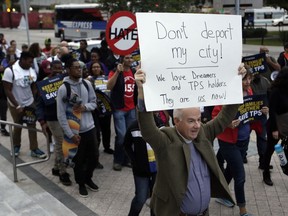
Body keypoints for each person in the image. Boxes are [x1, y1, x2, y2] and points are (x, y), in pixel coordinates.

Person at [134, 64, 246, 216]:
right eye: (191, 121)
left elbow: (224, 117)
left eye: (199, 120)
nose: (197, 126)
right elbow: (147, 130)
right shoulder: (166, 140)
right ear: (176, 121)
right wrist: (142, 92)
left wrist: (236, 83)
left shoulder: (203, 133)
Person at [212, 72, 254, 216]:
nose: (248, 82)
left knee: (231, 168)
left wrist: (261, 111)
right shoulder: (227, 94)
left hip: (244, 140)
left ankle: (221, 195)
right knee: (240, 176)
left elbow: (251, 111)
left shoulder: (249, 91)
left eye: (249, 78)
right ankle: (243, 211)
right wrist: (227, 123)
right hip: (228, 142)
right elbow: (215, 116)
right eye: (245, 79)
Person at [57, 58, 99, 197]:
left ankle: (88, 178)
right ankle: (81, 183)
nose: (79, 69)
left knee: (94, 157)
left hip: (90, 128)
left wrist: (84, 107)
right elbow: (61, 114)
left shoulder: (87, 84)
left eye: (80, 67)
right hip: (75, 132)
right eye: (75, 67)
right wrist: (70, 134)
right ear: (68, 70)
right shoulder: (64, 89)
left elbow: (94, 103)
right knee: (78, 161)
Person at [2, 51, 46, 158]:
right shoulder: (10, 71)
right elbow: (7, 90)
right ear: (23, 60)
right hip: (15, 104)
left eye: (32, 62)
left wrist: (33, 99)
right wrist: (17, 105)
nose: (31, 64)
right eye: (29, 62)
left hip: (29, 102)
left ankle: (34, 149)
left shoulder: (31, 70)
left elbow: (34, 85)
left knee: (32, 125)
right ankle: (16, 146)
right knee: (18, 125)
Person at [36, 60, 71, 185]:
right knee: (61, 143)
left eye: (59, 68)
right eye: (55, 68)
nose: (57, 71)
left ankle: (56, 168)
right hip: (52, 118)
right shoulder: (44, 84)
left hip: (65, 116)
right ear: (50, 69)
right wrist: (42, 121)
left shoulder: (66, 81)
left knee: (60, 144)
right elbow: (39, 105)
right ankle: (63, 172)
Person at [124, 115, 164, 216]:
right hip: (140, 170)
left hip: (157, 170)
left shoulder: (160, 124)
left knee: (155, 199)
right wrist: (134, 160)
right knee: (141, 198)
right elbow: (126, 144)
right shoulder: (134, 126)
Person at [107, 54, 137, 171]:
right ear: (121, 60)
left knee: (129, 136)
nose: (129, 60)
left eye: (131, 58)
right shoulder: (115, 71)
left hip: (131, 109)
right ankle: (117, 160)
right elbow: (109, 86)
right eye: (127, 58)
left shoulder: (134, 71)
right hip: (119, 109)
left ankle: (126, 159)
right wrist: (117, 73)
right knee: (121, 136)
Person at [262, 67, 288, 186]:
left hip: (286, 124)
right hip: (276, 125)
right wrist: (274, 129)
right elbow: (271, 112)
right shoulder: (275, 91)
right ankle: (266, 173)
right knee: (270, 150)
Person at [87, 61, 114, 154]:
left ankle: (107, 147)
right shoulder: (88, 80)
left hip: (106, 108)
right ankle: (95, 151)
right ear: (91, 69)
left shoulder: (106, 78)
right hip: (95, 110)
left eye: (97, 67)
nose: (96, 69)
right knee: (96, 132)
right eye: (93, 67)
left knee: (107, 130)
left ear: (101, 68)